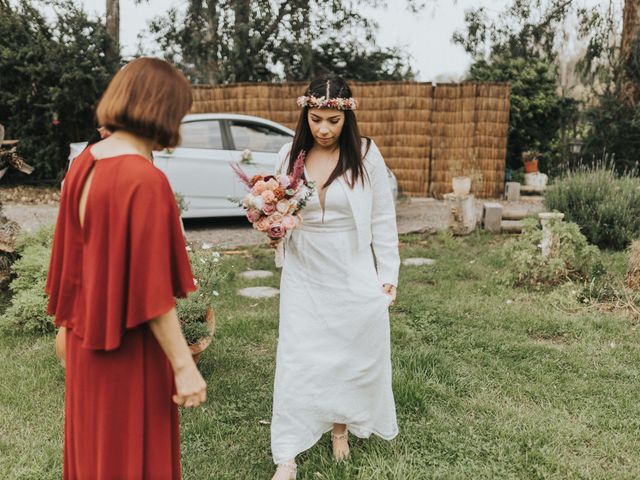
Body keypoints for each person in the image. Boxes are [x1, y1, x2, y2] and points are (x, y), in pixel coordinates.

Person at [45, 57, 207, 479]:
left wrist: (66, 328)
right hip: (127, 350)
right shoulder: (142, 180)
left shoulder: (85, 161)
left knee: (97, 460)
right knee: (131, 461)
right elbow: (151, 295)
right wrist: (184, 367)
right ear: (165, 110)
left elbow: (77, 262)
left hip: (86, 344)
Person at [270, 76, 400, 480]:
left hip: (351, 263)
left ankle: (339, 427)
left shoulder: (365, 155)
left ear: (347, 118)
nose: (323, 129)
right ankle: (287, 453)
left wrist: (387, 273)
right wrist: (272, 225)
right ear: (304, 115)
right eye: (315, 119)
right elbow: (275, 205)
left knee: (350, 350)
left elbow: (382, 215)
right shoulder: (289, 155)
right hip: (306, 267)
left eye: (332, 121)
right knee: (299, 355)